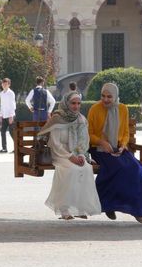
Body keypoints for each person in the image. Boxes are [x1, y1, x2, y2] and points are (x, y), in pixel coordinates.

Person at [87, 83, 142, 223]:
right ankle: (109, 205)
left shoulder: (122, 109)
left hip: (118, 148)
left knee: (138, 170)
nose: (105, 100)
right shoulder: (94, 109)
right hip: (98, 149)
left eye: (109, 97)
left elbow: (125, 132)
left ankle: (138, 209)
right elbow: (89, 134)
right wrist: (102, 143)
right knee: (119, 168)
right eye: (103, 96)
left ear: (115, 96)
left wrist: (123, 146)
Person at [38, 92, 101, 220]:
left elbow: (84, 142)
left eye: (78, 103)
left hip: (77, 155)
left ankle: (80, 208)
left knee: (86, 169)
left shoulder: (81, 119)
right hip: (60, 154)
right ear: (66, 103)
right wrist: (70, 156)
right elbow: (55, 144)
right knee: (71, 169)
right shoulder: (57, 118)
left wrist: (82, 156)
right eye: (73, 103)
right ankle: (64, 208)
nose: (76, 106)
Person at [0, 78, 16, 153]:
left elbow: (13, 105)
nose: (4, 85)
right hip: (4, 115)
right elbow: (1, 105)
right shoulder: (1, 93)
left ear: (9, 84)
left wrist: (11, 116)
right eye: (3, 84)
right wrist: (0, 115)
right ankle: (4, 148)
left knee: (12, 132)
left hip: (10, 116)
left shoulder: (11, 93)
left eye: (6, 84)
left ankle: (17, 148)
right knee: (2, 131)